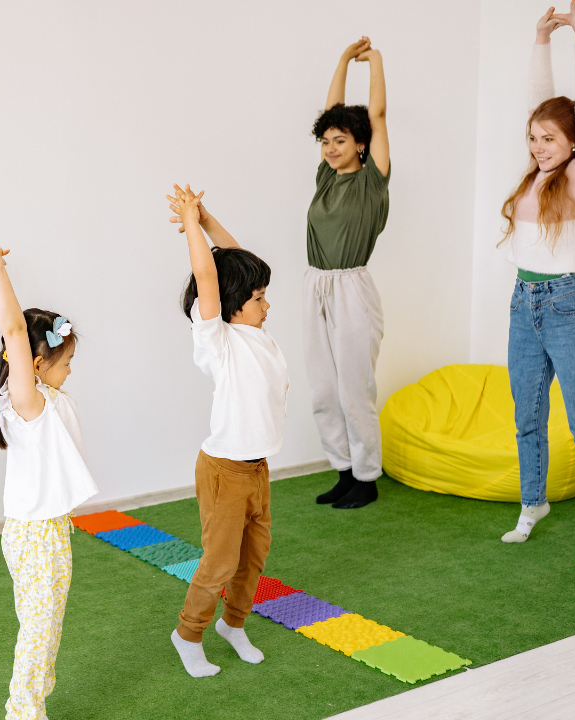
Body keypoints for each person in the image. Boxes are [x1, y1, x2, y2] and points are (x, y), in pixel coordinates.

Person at [498, 2, 575, 571]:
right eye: (534, 138)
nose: (539, 145)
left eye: (550, 138)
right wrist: (539, 39)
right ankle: (533, 503)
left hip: (569, 306)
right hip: (524, 303)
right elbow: (539, 104)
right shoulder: (535, 177)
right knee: (526, 414)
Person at [0, 243, 98, 719]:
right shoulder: (29, 403)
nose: (69, 371)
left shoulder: (37, 400)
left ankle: (33, 699)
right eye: (64, 363)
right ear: (37, 366)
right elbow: (14, 329)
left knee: (43, 627)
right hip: (36, 534)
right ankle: (23, 710)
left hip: (42, 529)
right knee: (38, 631)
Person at [167, 184, 288, 678]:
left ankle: (233, 624)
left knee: (253, 555)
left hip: (256, 467)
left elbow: (235, 260)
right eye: (258, 299)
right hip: (223, 470)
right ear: (232, 305)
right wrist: (192, 228)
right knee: (219, 561)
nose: (266, 305)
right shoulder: (218, 339)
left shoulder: (257, 333)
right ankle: (188, 632)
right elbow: (208, 274)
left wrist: (209, 216)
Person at [306, 37, 391, 510]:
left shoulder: (371, 178)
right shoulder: (325, 176)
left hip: (352, 287)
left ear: (360, 145)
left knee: (354, 387)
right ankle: (343, 470)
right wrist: (339, 60)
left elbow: (376, 116)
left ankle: (367, 477)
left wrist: (374, 61)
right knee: (322, 387)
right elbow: (331, 108)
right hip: (314, 284)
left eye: (341, 140)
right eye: (326, 140)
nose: (331, 147)